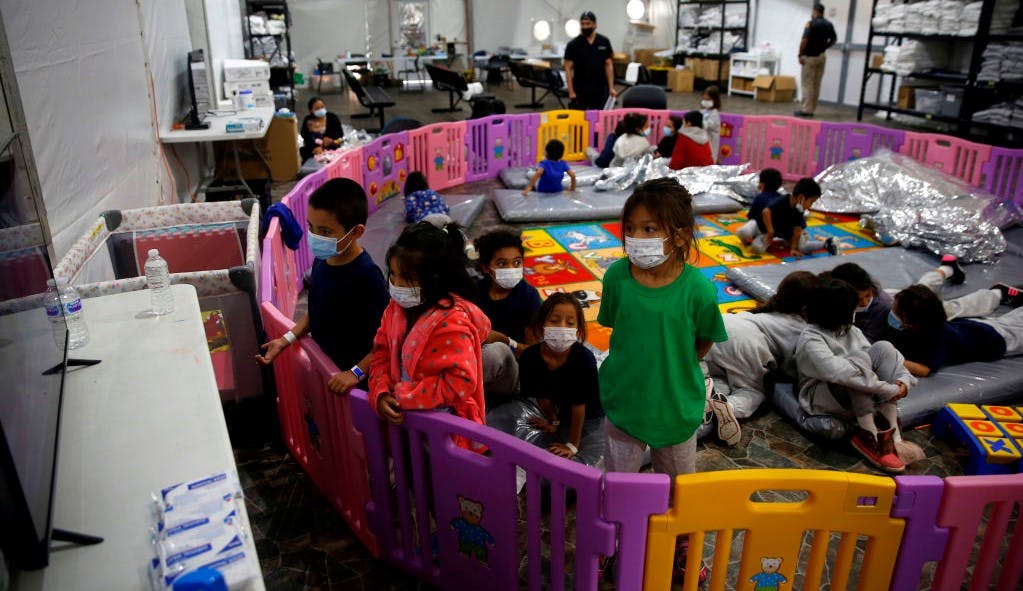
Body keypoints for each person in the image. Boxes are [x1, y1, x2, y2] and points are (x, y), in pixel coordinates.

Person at [598, 177, 726, 582]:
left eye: (649, 229)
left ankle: (683, 545)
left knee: (679, 489)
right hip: (625, 402)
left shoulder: (699, 290)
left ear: (680, 234)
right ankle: (616, 542)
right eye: (630, 229)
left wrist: (671, 365)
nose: (637, 238)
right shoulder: (617, 277)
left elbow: (702, 343)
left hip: (676, 406)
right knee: (618, 487)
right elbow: (617, 325)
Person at [256, 178, 389, 395]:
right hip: (329, 374)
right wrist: (285, 340)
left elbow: (387, 338)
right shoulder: (322, 260)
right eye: (311, 227)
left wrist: (355, 373)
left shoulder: (367, 277)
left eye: (325, 232)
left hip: (357, 387)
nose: (315, 237)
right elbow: (317, 312)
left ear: (356, 232)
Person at [368, 221, 491, 451]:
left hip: (443, 430)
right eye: (393, 275)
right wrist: (381, 392)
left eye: (408, 278)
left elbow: (461, 382)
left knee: (442, 482)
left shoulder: (452, 321)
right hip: (402, 421)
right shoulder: (394, 309)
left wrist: (406, 396)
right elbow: (381, 353)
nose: (396, 285)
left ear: (435, 278)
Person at [794, 278, 916, 473]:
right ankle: (870, 436)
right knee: (855, 364)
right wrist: (886, 389)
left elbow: (880, 359)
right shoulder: (812, 338)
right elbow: (838, 372)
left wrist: (903, 381)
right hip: (824, 396)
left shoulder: (851, 330)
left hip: (864, 394)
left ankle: (893, 431)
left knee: (883, 347)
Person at [489, 293, 605, 467]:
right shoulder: (530, 357)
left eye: (570, 323)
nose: (561, 327)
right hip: (562, 410)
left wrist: (573, 445)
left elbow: (579, 407)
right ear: (542, 324)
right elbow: (542, 398)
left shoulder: (583, 359)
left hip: (589, 415)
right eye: (555, 320)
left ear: (578, 330)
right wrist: (553, 421)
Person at [704, 271, 818, 437]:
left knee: (718, 374)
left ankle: (706, 391)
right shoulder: (801, 327)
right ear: (806, 308)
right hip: (746, 343)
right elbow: (792, 367)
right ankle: (728, 406)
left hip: (722, 324)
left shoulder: (766, 311)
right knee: (754, 392)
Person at [829, 259, 1002, 343]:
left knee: (949, 308)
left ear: (870, 288)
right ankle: (947, 268)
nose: (865, 302)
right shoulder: (840, 292)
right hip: (899, 298)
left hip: (904, 306)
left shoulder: (882, 309)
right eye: (860, 300)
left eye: (867, 297)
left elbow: (868, 341)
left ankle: (997, 294)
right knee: (922, 286)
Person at [887, 285, 1023, 377]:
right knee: (1009, 322)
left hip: (995, 341)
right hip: (974, 328)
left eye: (896, 309)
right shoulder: (923, 323)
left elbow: (926, 369)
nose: (892, 310)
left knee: (1014, 329)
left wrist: (893, 360)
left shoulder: (934, 338)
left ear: (912, 321)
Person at [474, 228, 542, 401]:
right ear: (486, 267)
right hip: (475, 362)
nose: (511, 269)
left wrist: (504, 340)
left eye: (517, 263)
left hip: (513, 374)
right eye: (502, 264)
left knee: (496, 352)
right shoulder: (475, 292)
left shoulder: (528, 297)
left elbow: (534, 355)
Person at [736, 177, 837, 257]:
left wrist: (793, 248)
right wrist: (770, 231)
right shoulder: (783, 200)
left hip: (770, 233)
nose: (810, 206)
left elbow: (797, 230)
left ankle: (826, 244)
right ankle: (749, 239)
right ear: (801, 198)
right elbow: (766, 212)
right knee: (743, 232)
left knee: (758, 249)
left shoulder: (799, 210)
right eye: (811, 202)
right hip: (760, 225)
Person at [564, 11, 617, 111]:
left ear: (595, 24)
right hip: (580, 91)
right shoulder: (573, 44)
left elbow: (609, 65)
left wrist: (611, 87)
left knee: (599, 120)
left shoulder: (604, 41)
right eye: (583, 24)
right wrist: (571, 91)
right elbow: (568, 68)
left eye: (588, 23)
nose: (585, 27)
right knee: (579, 122)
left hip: (600, 90)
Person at [796, 4, 837, 117]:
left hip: (810, 57)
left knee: (807, 84)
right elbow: (834, 39)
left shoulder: (811, 23)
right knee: (816, 84)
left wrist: (800, 54)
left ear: (815, 11)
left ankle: (806, 110)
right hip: (821, 57)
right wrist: (825, 47)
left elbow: (804, 40)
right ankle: (812, 109)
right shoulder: (829, 24)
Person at [736, 168, 784, 241]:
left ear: (762, 184)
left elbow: (751, 215)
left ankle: (756, 237)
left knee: (745, 230)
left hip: (760, 227)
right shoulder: (781, 198)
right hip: (775, 231)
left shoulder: (759, 197)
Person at [300, 96, 344, 161]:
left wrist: (330, 139)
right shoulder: (308, 120)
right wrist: (315, 147)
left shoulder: (332, 117)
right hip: (313, 149)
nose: (320, 110)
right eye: (317, 108)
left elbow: (340, 134)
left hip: (331, 148)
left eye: (322, 107)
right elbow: (305, 136)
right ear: (311, 110)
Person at [700, 86, 722, 162]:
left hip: (711, 142)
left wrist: (699, 122)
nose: (705, 101)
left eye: (708, 99)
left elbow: (711, 125)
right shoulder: (703, 111)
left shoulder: (715, 113)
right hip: (703, 141)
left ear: (715, 100)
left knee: (710, 157)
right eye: (704, 99)